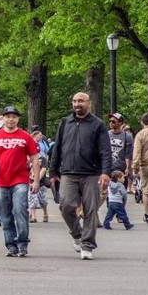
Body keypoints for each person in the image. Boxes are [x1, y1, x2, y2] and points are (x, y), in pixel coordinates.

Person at [49, 92, 111, 260]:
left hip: (91, 174)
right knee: (66, 205)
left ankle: (87, 245)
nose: (77, 104)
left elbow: (105, 151)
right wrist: (53, 172)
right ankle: (77, 234)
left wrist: (106, 172)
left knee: (90, 210)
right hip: (68, 173)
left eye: (81, 101)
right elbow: (57, 149)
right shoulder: (65, 122)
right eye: (75, 101)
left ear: (88, 103)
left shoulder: (97, 124)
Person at [0, 105, 41, 258]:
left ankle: (22, 243)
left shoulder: (25, 137)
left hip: (20, 180)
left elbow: (35, 159)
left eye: (13, 116)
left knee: (20, 209)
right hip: (2, 181)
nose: (11, 119)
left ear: (18, 119)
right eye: (8, 116)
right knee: (5, 214)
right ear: (3, 119)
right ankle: (11, 245)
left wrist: (36, 180)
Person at [132, 113, 148, 224]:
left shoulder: (140, 135)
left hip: (146, 165)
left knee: (146, 191)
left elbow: (137, 152)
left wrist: (134, 167)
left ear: (142, 122)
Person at [106, 113, 133, 188]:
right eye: (110, 121)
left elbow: (128, 154)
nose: (111, 123)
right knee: (109, 194)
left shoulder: (127, 136)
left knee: (121, 192)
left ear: (120, 122)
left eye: (113, 121)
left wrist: (128, 168)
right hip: (108, 168)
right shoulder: (106, 134)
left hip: (121, 169)